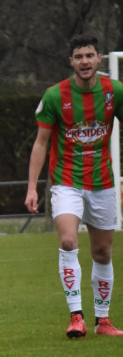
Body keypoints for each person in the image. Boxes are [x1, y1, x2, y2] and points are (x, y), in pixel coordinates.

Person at [26, 34, 123, 338]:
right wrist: (31, 186)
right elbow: (41, 143)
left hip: (103, 182)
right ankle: (76, 316)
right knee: (68, 241)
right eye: (79, 56)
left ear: (99, 59)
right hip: (67, 181)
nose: (84, 61)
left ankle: (103, 321)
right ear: (71, 62)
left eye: (90, 55)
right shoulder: (56, 96)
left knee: (103, 253)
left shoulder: (114, 91)